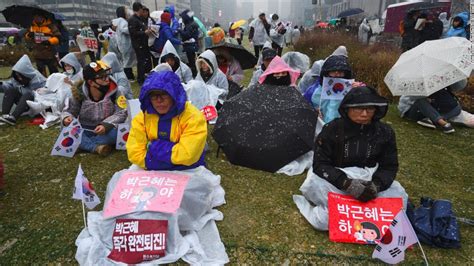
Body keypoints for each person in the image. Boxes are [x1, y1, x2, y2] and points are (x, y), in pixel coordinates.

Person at [305, 86, 408, 230]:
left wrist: (376, 185)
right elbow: (321, 164)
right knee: (320, 201)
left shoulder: (385, 132)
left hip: (369, 177)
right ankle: (358, 211)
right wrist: (346, 184)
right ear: (347, 109)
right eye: (359, 108)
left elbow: (389, 166)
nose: (365, 113)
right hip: (336, 178)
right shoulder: (332, 129)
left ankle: (358, 211)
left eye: (370, 109)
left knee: (398, 194)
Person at [126, 71, 207, 170]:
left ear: (175, 95)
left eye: (164, 94)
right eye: (154, 95)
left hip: (187, 169)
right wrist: (175, 158)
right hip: (179, 166)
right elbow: (134, 154)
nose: (159, 100)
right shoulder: (142, 118)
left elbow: (188, 155)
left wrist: (151, 146)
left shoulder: (193, 117)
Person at [61, 61, 127, 156]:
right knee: (69, 130)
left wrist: (106, 125)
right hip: (85, 130)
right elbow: (69, 111)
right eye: (102, 77)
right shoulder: (78, 93)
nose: (107, 79)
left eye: (107, 75)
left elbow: (122, 112)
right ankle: (96, 147)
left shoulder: (117, 91)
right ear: (91, 82)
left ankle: (83, 144)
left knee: (117, 132)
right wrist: (66, 118)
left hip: (107, 130)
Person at [397, 80, 469, 134]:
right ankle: (443, 124)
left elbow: (459, 86)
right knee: (420, 101)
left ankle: (434, 119)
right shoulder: (418, 79)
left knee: (457, 108)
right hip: (411, 109)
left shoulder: (437, 79)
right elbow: (413, 97)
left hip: (428, 110)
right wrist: (429, 95)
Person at [0, 55, 46, 125]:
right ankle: (5, 116)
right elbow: (8, 86)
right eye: (17, 76)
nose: (19, 78)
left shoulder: (38, 79)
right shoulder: (17, 77)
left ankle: (13, 117)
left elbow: (38, 95)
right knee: (11, 90)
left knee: (29, 94)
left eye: (20, 76)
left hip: (37, 105)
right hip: (23, 103)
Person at [128, 2, 152, 85]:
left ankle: (143, 76)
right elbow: (133, 33)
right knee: (141, 62)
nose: (143, 11)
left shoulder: (139, 19)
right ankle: (140, 79)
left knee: (144, 61)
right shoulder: (132, 20)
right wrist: (144, 32)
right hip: (138, 44)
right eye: (142, 9)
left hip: (144, 43)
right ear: (139, 9)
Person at [114, 6, 137, 81]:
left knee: (127, 60)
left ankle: (129, 75)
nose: (128, 12)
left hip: (124, 44)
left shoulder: (121, 20)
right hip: (125, 44)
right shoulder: (121, 21)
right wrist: (132, 28)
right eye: (126, 10)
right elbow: (124, 30)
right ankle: (129, 76)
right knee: (127, 61)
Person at [179, 10, 200, 77]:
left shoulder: (191, 25)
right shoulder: (191, 24)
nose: (182, 19)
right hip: (191, 47)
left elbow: (186, 35)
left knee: (192, 64)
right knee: (192, 63)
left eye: (182, 18)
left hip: (191, 47)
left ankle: (194, 76)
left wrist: (180, 30)